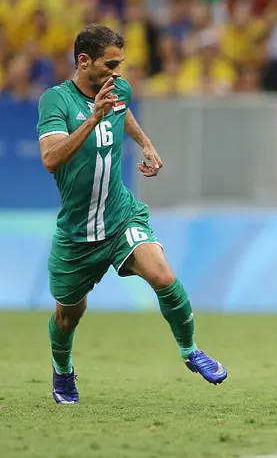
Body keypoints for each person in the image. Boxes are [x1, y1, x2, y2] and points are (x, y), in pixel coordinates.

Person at [37, 25, 228, 405]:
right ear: (83, 61)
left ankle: (189, 349)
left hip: (120, 215)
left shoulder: (118, 91)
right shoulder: (55, 101)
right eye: (110, 64)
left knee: (162, 275)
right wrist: (93, 119)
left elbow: (122, 114)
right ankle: (62, 372)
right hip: (77, 232)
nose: (117, 73)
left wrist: (146, 143)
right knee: (67, 317)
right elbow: (50, 159)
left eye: (121, 64)